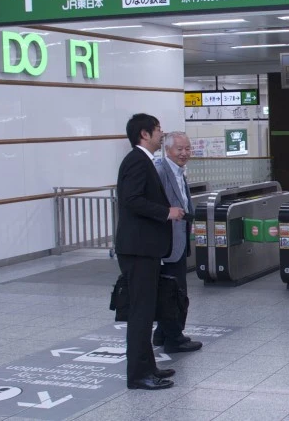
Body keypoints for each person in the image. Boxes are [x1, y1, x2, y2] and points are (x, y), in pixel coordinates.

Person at [115, 114, 182, 391]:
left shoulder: (143, 160)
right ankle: (138, 375)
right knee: (140, 314)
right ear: (144, 134)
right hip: (138, 249)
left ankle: (148, 367)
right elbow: (131, 200)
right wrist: (166, 212)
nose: (161, 133)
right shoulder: (136, 161)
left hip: (145, 249)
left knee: (146, 312)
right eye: (158, 130)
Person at [152, 132, 202, 354]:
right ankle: (174, 337)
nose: (184, 153)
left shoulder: (179, 171)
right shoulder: (161, 171)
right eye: (179, 149)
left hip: (179, 238)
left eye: (187, 149)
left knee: (172, 288)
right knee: (174, 290)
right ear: (168, 150)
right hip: (167, 241)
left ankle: (163, 332)